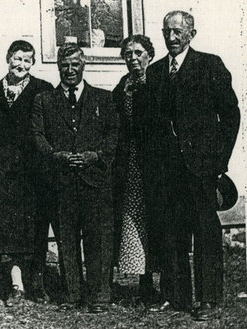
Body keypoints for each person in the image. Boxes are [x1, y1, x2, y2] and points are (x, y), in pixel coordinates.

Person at [146, 11, 240, 320]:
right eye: (166, 32)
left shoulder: (210, 65)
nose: (171, 38)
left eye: (177, 32)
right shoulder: (156, 71)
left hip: (201, 167)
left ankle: (208, 299)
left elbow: (230, 115)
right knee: (172, 232)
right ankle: (176, 296)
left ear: (191, 34)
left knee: (204, 231)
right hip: (167, 169)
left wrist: (218, 162)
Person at [32, 43, 119, 313]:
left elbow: (114, 134)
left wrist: (97, 155)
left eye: (75, 64)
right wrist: (56, 155)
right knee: (66, 241)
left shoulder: (103, 99)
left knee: (98, 241)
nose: (70, 70)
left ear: (84, 65)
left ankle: (99, 297)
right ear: (58, 67)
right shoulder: (44, 100)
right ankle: (72, 295)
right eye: (65, 65)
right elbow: (37, 136)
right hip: (61, 182)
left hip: (95, 181)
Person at [0, 40, 54, 306]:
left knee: (34, 229)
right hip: (2, 173)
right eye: (17, 58)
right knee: (6, 230)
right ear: (8, 58)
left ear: (33, 63)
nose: (21, 64)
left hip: (34, 173)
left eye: (27, 60)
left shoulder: (42, 90)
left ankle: (37, 283)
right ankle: (15, 285)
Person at [111, 35, 157, 304]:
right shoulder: (123, 85)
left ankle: (158, 283)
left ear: (149, 55)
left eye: (138, 52)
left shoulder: (157, 81)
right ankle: (143, 282)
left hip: (154, 164)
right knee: (133, 221)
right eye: (128, 53)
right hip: (130, 166)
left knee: (155, 221)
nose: (133, 58)